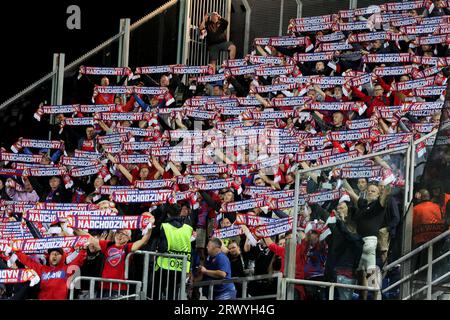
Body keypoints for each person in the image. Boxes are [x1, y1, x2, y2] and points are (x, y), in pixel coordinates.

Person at [76, 213, 154, 299]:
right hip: (103, 286)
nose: (119, 235)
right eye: (118, 232)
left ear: (129, 238)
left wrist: (149, 227)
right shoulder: (108, 245)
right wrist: (74, 226)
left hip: (119, 288)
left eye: (123, 234)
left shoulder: (128, 247)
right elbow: (90, 238)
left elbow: (144, 241)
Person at [343, 180, 391, 300]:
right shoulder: (363, 204)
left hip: (369, 241)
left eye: (373, 191)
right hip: (359, 243)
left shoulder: (379, 205)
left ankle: (376, 297)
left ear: (378, 194)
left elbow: (386, 193)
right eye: (369, 190)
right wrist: (341, 177)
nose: (370, 192)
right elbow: (349, 191)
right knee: (360, 274)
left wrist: (388, 181)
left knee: (371, 273)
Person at [12, 247, 87, 300]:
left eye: (57, 254)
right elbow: (29, 261)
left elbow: (77, 261)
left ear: (63, 257)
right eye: (52, 254)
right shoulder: (42, 268)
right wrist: (17, 252)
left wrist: (83, 250)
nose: (54, 256)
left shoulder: (67, 269)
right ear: (49, 256)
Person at [154, 204, 193, 300]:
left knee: (157, 292)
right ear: (180, 213)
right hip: (181, 266)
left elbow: (163, 247)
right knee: (173, 292)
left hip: (165, 265)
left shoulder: (165, 226)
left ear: (167, 214)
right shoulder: (188, 228)